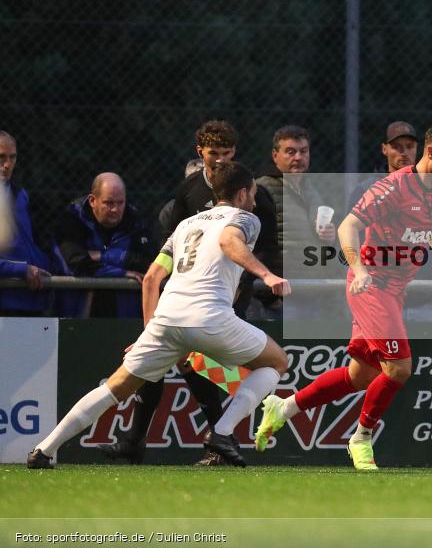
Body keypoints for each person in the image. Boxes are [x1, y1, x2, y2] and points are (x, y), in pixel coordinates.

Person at [27, 162, 291, 469]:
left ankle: (44, 450)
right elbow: (228, 242)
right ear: (243, 193)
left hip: (166, 317)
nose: (256, 201)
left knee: (114, 387)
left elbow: (152, 277)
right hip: (208, 317)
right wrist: (267, 275)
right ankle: (221, 433)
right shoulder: (245, 218)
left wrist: (146, 333)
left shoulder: (186, 225)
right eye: (254, 194)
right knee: (276, 361)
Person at [253, 125, 432, 470]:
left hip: (394, 291)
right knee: (398, 369)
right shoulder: (392, 188)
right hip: (372, 286)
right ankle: (361, 438)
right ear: (431, 153)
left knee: (361, 376)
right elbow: (347, 227)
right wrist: (361, 269)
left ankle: (285, 407)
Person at [99, 122, 275, 466]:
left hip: (227, 297)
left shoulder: (251, 192)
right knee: (183, 363)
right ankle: (212, 442)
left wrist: (251, 273)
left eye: (226, 154)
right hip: (189, 295)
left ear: (234, 154)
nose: (220, 161)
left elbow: (267, 246)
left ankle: (208, 441)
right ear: (200, 153)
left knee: (194, 364)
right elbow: (173, 245)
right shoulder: (189, 192)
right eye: (213, 155)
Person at [346, 121, 432, 322]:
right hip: (378, 297)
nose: (404, 153)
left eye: (409, 147)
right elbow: (349, 238)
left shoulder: (431, 189)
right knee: (373, 354)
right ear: (384, 149)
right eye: (397, 147)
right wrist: (359, 276)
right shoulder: (367, 189)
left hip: (421, 300)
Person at [254, 125, 336, 319]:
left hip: (312, 291)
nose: (298, 157)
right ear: (275, 155)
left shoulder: (312, 189)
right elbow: (256, 245)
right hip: (277, 296)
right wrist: (268, 294)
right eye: (290, 152)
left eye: (303, 151)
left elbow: (323, 244)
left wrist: (330, 237)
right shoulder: (260, 189)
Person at [52, 172, 155, 317]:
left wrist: (102, 256)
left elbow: (148, 264)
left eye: (120, 203)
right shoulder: (72, 219)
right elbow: (76, 264)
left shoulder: (134, 220)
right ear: (93, 200)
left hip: (124, 316)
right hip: (77, 315)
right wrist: (122, 272)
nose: (115, 209)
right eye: (109, 203)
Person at [0, 131, 52, 316]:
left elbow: (33, 242)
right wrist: (21, 269)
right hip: (7, 301)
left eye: (12, 157)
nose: (7, 165)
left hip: (31, 299)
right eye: (1, 157)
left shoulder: (20, 194)